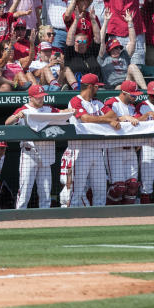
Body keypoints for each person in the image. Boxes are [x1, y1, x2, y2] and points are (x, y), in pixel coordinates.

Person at [63, 73, 120, 207]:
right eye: (96, 86)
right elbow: (85, 119)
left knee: (100, 188)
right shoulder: (75, 101)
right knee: (77, 190)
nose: (98, 89)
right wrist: (107, 120)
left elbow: (113, 114)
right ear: (89, 87)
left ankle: (98, 220)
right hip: (79, 150)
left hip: (96, 149)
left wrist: (108, 119)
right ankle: (72, 219)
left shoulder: (97, 102)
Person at [5, 85, 64, 209]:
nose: (41, 100)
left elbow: (62, 113)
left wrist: (71, 110)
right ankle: (19, 215)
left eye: (42, 97)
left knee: (46, 191)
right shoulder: (24, 109)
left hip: (46, 153)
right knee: (25, 189)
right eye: (38, 98)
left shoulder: (49, 109)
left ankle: (45, 218)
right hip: (29, 153)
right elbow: (7, 122)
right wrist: (17, 116)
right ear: (30, 98)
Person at [103, 80, 144, 205]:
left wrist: (146, 115)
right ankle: (112, 214)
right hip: (114, 148)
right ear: (124, 93)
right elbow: (105, 118)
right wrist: (123, 118)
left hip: (130, 148)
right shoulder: (112, 102)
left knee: (133, 185)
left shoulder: (132, 107)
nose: (135, 97)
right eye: (133, 95)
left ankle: (129, 216)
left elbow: (138, 121)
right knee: (118, 187)